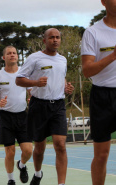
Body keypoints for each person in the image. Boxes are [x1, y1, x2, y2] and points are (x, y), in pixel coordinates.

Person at [16, 28, 74, 185]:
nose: (55, 40)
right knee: (40, 148)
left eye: (57, 37)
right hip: (39, 105)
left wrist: (66, 89)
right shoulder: (35, 58)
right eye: (51, 38)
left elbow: (60, 79)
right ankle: (37, 173)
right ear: (44, 41)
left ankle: (61, 183)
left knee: (60, 145)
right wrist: (35, 83)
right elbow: (19, 80)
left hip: (58, 105)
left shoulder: (63, 60)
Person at [81, 1, 116, 184]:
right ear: (103, 1)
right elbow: (87, 70)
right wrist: (112, 56)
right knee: (102, 155)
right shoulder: (93, 32)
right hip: (102, 96)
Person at [0, 46, 33, 185]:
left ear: (17, 56)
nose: (12, 55)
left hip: (22, 116)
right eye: (9, 53)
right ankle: (11, 180)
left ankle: (21, 164)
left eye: (14, 53)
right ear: (4, 57)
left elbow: (32, 91)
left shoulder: (24, 73)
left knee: (28, 150)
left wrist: (32, 98)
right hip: (6, 117)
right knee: (10, 151)